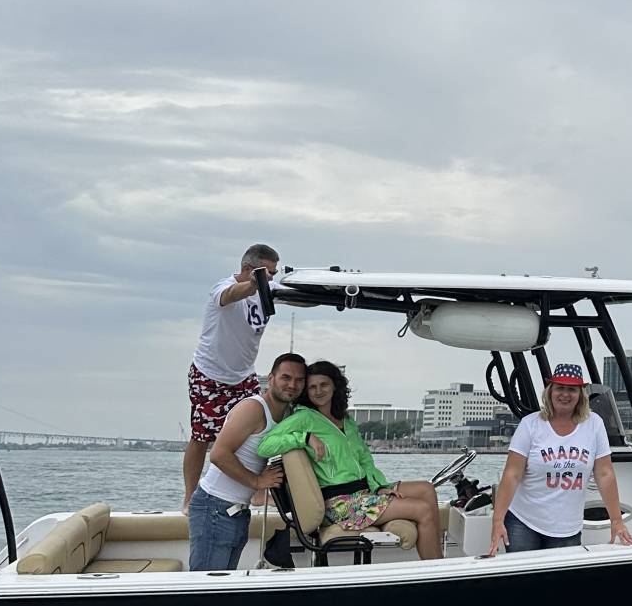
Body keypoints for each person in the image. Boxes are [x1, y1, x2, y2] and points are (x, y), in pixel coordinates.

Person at [257, 360, 444, 559]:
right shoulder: (304, 418)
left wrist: (379, 486)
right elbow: (264, 445)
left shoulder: (346, 420)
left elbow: (365, 459)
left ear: (335, 386)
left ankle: (436, 559)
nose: (318, 391)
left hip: (364, 491)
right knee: (422, 510)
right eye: (312, 387)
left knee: (426, 489)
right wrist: (304, 438)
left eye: (324, 385)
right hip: (340, 503)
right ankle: (436, 569)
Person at [488, 363, 632, 554]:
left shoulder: (594, 424)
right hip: (523, 522)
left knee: (560, 583)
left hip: (567, 528)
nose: (565, 394)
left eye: (572, 389)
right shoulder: (530, 424)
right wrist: (498, 520)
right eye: (560, 388)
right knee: (524, 581)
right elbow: (512, 474)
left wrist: (616, 521)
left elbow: (604, 474)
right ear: (550, 391)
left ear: (580, 394)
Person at [182, 244, 281, 510]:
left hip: (243, 376)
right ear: (249, 269)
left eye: (274, 273)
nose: (271, 278)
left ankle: (256, 489)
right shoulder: (222, 287)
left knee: (265, 428)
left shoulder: (268, 290)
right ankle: (190, 496)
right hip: (210, 375)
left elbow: (295, 296)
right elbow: (230, 294)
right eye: (267, 273)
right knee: (202, 436)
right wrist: (252, 285)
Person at [188, 352, 307, 571]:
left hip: (238, 510)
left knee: (223, 586)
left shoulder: (288, 415)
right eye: (286, 377)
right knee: (205, 589)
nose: (292, 384)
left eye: (299, 380)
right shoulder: (253, 408)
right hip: (214, 506)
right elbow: (219, 454)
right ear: (271, 379)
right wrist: (257, 482)